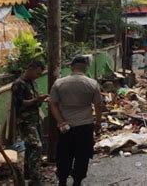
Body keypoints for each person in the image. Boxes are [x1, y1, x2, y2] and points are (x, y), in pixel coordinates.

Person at [49, 55, 102, 186]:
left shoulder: (59, 83)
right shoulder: (92, 84)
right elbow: (98, 106)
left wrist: (61, 121)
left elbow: (52, 104)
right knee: (82, 156)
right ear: (85, 67)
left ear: (72, 66)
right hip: (85, 126)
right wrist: (98, 123)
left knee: (64, 155)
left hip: (65, 128)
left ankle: (62, 181)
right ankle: (77, 181)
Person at [11, 60, 47, 185]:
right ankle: (35, 179)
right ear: (30, 68)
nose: (38, 76)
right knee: (36, 146)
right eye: (37, 73)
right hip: (25, 121)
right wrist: (36, 100)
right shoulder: (18, 84)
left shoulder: (33, 83)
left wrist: (41, 99)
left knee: (31, 148)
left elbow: (35, 100)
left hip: (34, 119)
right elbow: (19, 104)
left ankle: (29, 173)